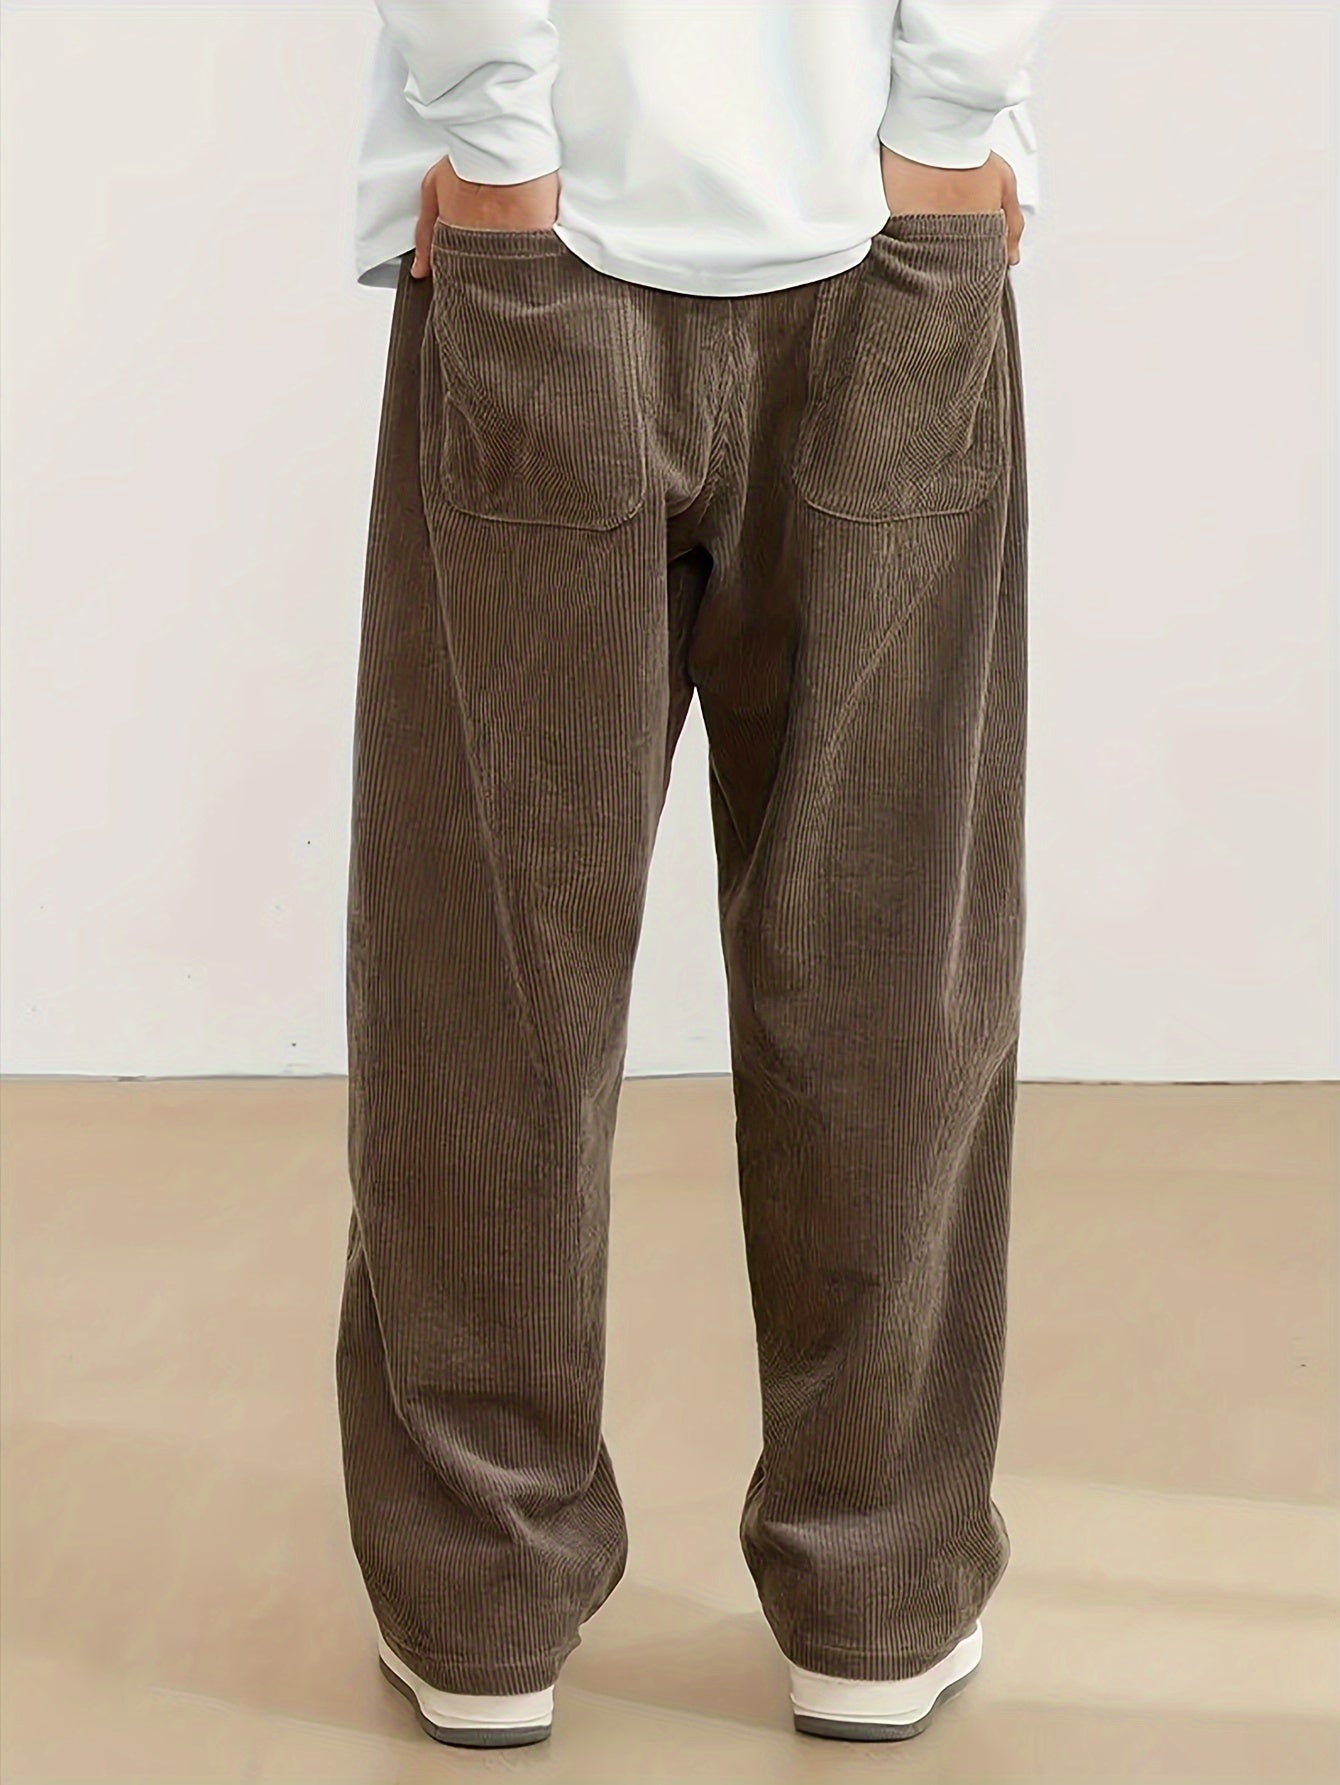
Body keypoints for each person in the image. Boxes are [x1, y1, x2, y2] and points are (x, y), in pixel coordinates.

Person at [337, 0, 1050, 1749]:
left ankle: (481, 1607)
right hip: (879, 234)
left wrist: (498, 133)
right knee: (888, 954)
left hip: (551, 243)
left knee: (489, 964)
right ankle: (876, 1597)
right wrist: (946, 123)